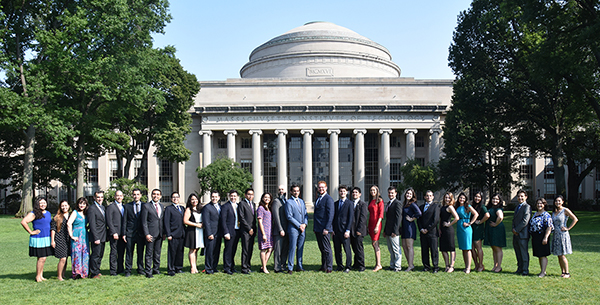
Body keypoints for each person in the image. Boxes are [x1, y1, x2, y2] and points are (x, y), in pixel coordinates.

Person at [21, 197, 53, 282]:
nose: (43, 205)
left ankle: (41, 275)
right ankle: (38, 276)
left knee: (43, 258)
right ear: (37, 204)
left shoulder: (48, 213)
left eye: (44, 203)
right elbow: (23, 222)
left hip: (46, 237)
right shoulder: (33, 213)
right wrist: (31, 232)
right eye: (41, 203)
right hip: (39, 238)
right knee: (41, 258)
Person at [551, 195, 578, 278]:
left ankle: (567, 273)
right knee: (558, 255)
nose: (557, 202)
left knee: (562, 254)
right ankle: (562, 272)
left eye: (559, 201)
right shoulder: (554, 212)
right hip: (555, 235)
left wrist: (568, 228)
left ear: (562, 202)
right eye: (556, 201)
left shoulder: (565, 210)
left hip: (562, 235)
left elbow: (575, 219)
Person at [141, 189, 165, 278]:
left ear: (160, 196)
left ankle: (156, 269)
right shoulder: (146, 206)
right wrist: (146, 234)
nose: (156, 196)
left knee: (157, 253)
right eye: (154, 194)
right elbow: (144, 222)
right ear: (151, 195)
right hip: (150, 234)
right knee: (149, 253)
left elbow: (161, 220)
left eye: (158, 194)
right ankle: (148, 271)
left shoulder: (161, 206)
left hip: (159, 233)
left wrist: (163, 233)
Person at [285, 183, 308, 274]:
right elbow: (289, 217)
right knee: (292, 248)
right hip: (293, 229)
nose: (296, 192)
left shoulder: (302, 201)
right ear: (291, 192)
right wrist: (299, 225)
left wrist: (305, 224)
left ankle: (299, 266)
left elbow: (305, 214)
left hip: (303, 228)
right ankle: (290, 267)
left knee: (300, 248)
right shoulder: (288, 202)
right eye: (294, 191)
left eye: (297, 191)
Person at [122, 188, 145, 277]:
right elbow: (125, 221)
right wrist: (124, 233)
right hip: (130, 233)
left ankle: (140, 269)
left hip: (141, 233)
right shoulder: (127, 206)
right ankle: (128, 270)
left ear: (140, 195)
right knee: (129, 253)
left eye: (137, 194)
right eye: (134, 194)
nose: (136, 196)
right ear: (132, 195)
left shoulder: (144, 205)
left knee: (140, 252)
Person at [313, 181, 334, 273]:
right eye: (319, 187)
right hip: (318, 228)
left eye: (322, 187)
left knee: (327, 248)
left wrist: (327, 228)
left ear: (326, 188)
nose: (321, 189)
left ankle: (329, 267)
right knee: (321, 248)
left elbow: (330, 215)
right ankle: (324, 265)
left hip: (325, 228)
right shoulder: (318, 199)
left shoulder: (328, 199)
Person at [529, 198, 553, 278]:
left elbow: (549, 227)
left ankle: (543, 272)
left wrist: (545, 237)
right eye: (538, 203)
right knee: (539, 255)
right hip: (535, 236)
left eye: (541, 203)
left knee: (543, 255)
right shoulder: (535, 214)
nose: (539, 205)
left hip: (542, 236)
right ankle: (542, 270)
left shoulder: (546, 215)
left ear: (544, 205)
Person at [455, 192, 479, 273]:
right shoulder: (457, 206)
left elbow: (476, 214)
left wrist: (470, 223)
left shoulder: (467, 206)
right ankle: (465, 266)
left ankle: (468, 267)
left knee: (468, 248)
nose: (462, 199)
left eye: (463, 198)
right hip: (459, 227)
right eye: (460, 198)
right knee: (463, 248)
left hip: (466, 228)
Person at [333, 185, 354, 273]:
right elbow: (334, 217)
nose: (342, 193)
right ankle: (339, 265)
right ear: (339, 192)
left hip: (345, 231)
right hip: (336, 231)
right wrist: (333, 229)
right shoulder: (335, 204)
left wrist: (348, 230)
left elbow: (350, 218)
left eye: (344, 191)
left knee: (347, 249)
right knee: (337, 250)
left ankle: (348, 266)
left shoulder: (350, 203)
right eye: (341, 191)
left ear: (347, 192)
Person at [164, 192, 186, 276]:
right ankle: (171, 269)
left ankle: (178, 268)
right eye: (173, 197)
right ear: (171, 199)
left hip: (181, 234)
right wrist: (168, 234)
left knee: (180, 252)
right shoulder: (169, 209)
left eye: (177, 197)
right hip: (173, 234)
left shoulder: (182, 208)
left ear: (179, 198)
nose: (175, 199)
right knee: (172, 252)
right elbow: (166, 222)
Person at [417, 190, 440, 273]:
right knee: (424, 250)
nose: (428, 197)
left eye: (430, 195)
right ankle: (426, 266)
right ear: (424, 197)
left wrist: (428, 229)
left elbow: (436, 220)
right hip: (423, 233)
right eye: (427, 195)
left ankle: (435, 267)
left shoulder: (436, 207)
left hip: (432, 233)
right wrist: (421, 229)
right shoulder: (421, 207)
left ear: (433, 197)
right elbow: (418, 219)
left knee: (434, 250)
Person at [68, 197, 89, 279]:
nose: (82, 205)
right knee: (77, 254)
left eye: (84, 204)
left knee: (85, 253)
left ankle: (84, 273)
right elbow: (69, 223)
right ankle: (77, 273)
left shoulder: (86, 213)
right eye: (80, 203)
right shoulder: (75, 212)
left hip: (84, 236)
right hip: (76, 235)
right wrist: (71, 235)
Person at [484, 193, 506, 273]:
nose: (495, 200)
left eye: (497, 199)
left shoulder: (498, 209)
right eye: (493, 199)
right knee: (493, 248)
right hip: (491, 229)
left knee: (497, 248)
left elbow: (500, 217)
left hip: (497, 230)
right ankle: (495, 265)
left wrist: (496, 224)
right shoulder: (491, 208)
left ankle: (499, 266)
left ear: (500, 201)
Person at [401, 188, 422, 272]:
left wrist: (411, 219)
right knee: (404, 246)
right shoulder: (405, 204)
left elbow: (419, 213)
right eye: (407, 193)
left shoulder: (412, 204)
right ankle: (410, 264)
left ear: (413, 195)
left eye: (410, 194)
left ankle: (410, 265)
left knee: (409, 246)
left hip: (410, 227)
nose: (408, 195)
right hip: (404, 227)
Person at [88, 191, 107, 279]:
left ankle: (97, 270)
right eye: (98, 197)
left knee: (100, 254)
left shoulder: (102, 207)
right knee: (95, 255)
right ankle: (93, 273)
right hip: (96, 236)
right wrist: (96, 237)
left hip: (103, 235)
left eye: (101, 197)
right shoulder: (92, 208)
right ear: (94, 198)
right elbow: (92, 224)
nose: (100, 199)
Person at [106, 190, 126, 276]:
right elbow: (109, 221)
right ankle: (113, 270)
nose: (119, 197)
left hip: (122, 234)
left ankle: (120, 269)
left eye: (120, 196)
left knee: (121, 252)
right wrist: (113, 232)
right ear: (114, 197)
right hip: (115, 233)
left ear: (123, 197)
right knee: (114, 252)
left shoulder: (124, 207)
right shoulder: (111, 207)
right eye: (117, 196)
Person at [202, 190, 222, 274]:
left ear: (219, 198)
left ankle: (214, 267)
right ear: (211, 197)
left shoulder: (220, 206)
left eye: (216, 197)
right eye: (213, 197)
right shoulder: (207, 207)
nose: (214, 198)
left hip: (219, 233)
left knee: (216, 250)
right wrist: (209, 233)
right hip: (211, 233)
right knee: (209, 251)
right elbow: (206, 222)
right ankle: (208, 268)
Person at [383, 186, 402, 272]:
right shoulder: (389, 203)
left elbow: (398, 218)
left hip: (394, 231)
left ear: (396, 194)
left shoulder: (397, 203)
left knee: (396, 249)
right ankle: (392, 265)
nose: (390, 194)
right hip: (388, 230)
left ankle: (397, 266)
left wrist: (395, 231)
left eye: (392, 193)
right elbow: (387, 219)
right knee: (390, 249)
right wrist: (385, 230)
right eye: (389, 193)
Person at [51, 200, 71, 281]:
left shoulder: (71, 215)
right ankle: (59, 276)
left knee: (66, 258)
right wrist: (52, 240)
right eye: (62, 206)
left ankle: (63, 274)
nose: (64, 207)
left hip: (68, 239)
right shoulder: (57, 217)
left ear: (69, 206)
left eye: (66, 205)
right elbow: (53, 229)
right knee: (62, 258)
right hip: (60, 238)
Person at [512, 189, 531, 276]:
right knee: (518, 252)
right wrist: (513, 229)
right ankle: (519, 268)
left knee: (523, 253)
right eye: (519, 196)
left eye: (522, 196)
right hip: (515, 234)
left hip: (523, 234)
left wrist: (517, 230)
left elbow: (525, 221)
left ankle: (525, 270)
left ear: (526, 197)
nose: (520, 198)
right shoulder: (517, 207)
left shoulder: (527, 207)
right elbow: (514, 220)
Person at [183, 193, 203, 274]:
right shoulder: (188, 209)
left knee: (197, 249)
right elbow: (185, 221)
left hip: (200, 231)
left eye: (195, 199)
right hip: (192, 231)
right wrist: (196, 224)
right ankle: (193, 268)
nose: (194, 201)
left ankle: (195, 266)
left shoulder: (200, 208)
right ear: (190, 201)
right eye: (192, 199)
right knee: (192, 249)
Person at [271, 185, 289, 273]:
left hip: (287, 229)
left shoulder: (286, 201)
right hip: (279, 231)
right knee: (278, 250)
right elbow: (276, 216)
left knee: (285, 249)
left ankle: (283, 265)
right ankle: (277, 267)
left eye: (282, 189)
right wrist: (280, 229)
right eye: (279, 189)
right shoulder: (276, 202)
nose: (281, 191)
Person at [239, 188, 257, 274]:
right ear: (245, 195)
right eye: (249, 194)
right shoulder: (242, 204)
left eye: (252, 194)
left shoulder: (253, 204)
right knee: (245, 249)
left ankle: (248, 266)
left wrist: (253, 229)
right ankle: (244, 267)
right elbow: (241, 218)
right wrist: (248, 228)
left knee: (250, 249)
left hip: (252, 231)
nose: (250, 196)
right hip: (245, 231)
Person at [221, 190, 239, 275]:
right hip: (229, 231)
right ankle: (227, 267)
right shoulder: (225, 206)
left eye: (235, 196)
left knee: (234, 249)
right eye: (231, 196)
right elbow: (223, 221)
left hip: (237, 231)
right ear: (229, 196)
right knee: (228, 250)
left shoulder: (238, 206)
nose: (233, 197)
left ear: (237, 197)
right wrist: (226, 232)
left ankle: (232, 266)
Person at [439, 192, 459, 272]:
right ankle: (446, 265)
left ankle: (452, 266)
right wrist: (440, 229)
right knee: (443, 248)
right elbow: (441, 219)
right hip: (442, 230)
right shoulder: (442, 207)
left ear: (451, 199)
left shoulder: (450, 207)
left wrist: (449, 224)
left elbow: (457, 217)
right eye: (446, 197)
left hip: (449, 230)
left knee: (451, 248)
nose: (447, 199)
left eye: (449, 198)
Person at [470, 192, 489, 272]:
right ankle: (476, 265)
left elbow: (487, 215)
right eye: (475, 196)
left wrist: (481, 221)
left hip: (478, 229)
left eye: (479, 197)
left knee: (478, 248)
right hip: (471, 228)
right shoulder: (472, 206)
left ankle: (481, 265)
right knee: (471, 248)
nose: (477, 198)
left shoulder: (482, 206)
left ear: (481, 198)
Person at [350, 187, 368, 272]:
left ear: (360, 194)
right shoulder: (351, 203)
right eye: (353, 192)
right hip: (351, 230)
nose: (354, 194)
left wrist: (359, 230)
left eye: (356, 192)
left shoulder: (363, 204)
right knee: (354, 248)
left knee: (359, 248)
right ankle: (356, 264)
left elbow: (363, 218)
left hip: (359, 231)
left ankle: (361, 265)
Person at [367, 185, 384, 272]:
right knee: (374, 244)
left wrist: (377, 225)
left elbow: (381, 214)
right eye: (371, 190)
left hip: (376, 224)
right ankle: (377, 263)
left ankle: (378, 264)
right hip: (370, 223)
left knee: (375, 243)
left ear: (377, 191)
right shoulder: (371, 201)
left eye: (374, 190)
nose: (372, 191)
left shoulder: (379, 201)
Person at [257, 193, 273, 273]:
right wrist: (263, 233)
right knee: (263, 249)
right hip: (263, 231)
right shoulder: (261, 208)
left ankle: (263, 266)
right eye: (265, 197)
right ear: (262, 198)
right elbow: (260, 221)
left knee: (270, 248)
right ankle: (264, 267)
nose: (267, 199)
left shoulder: (268, 208)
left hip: (269, 231)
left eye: (268, 197)